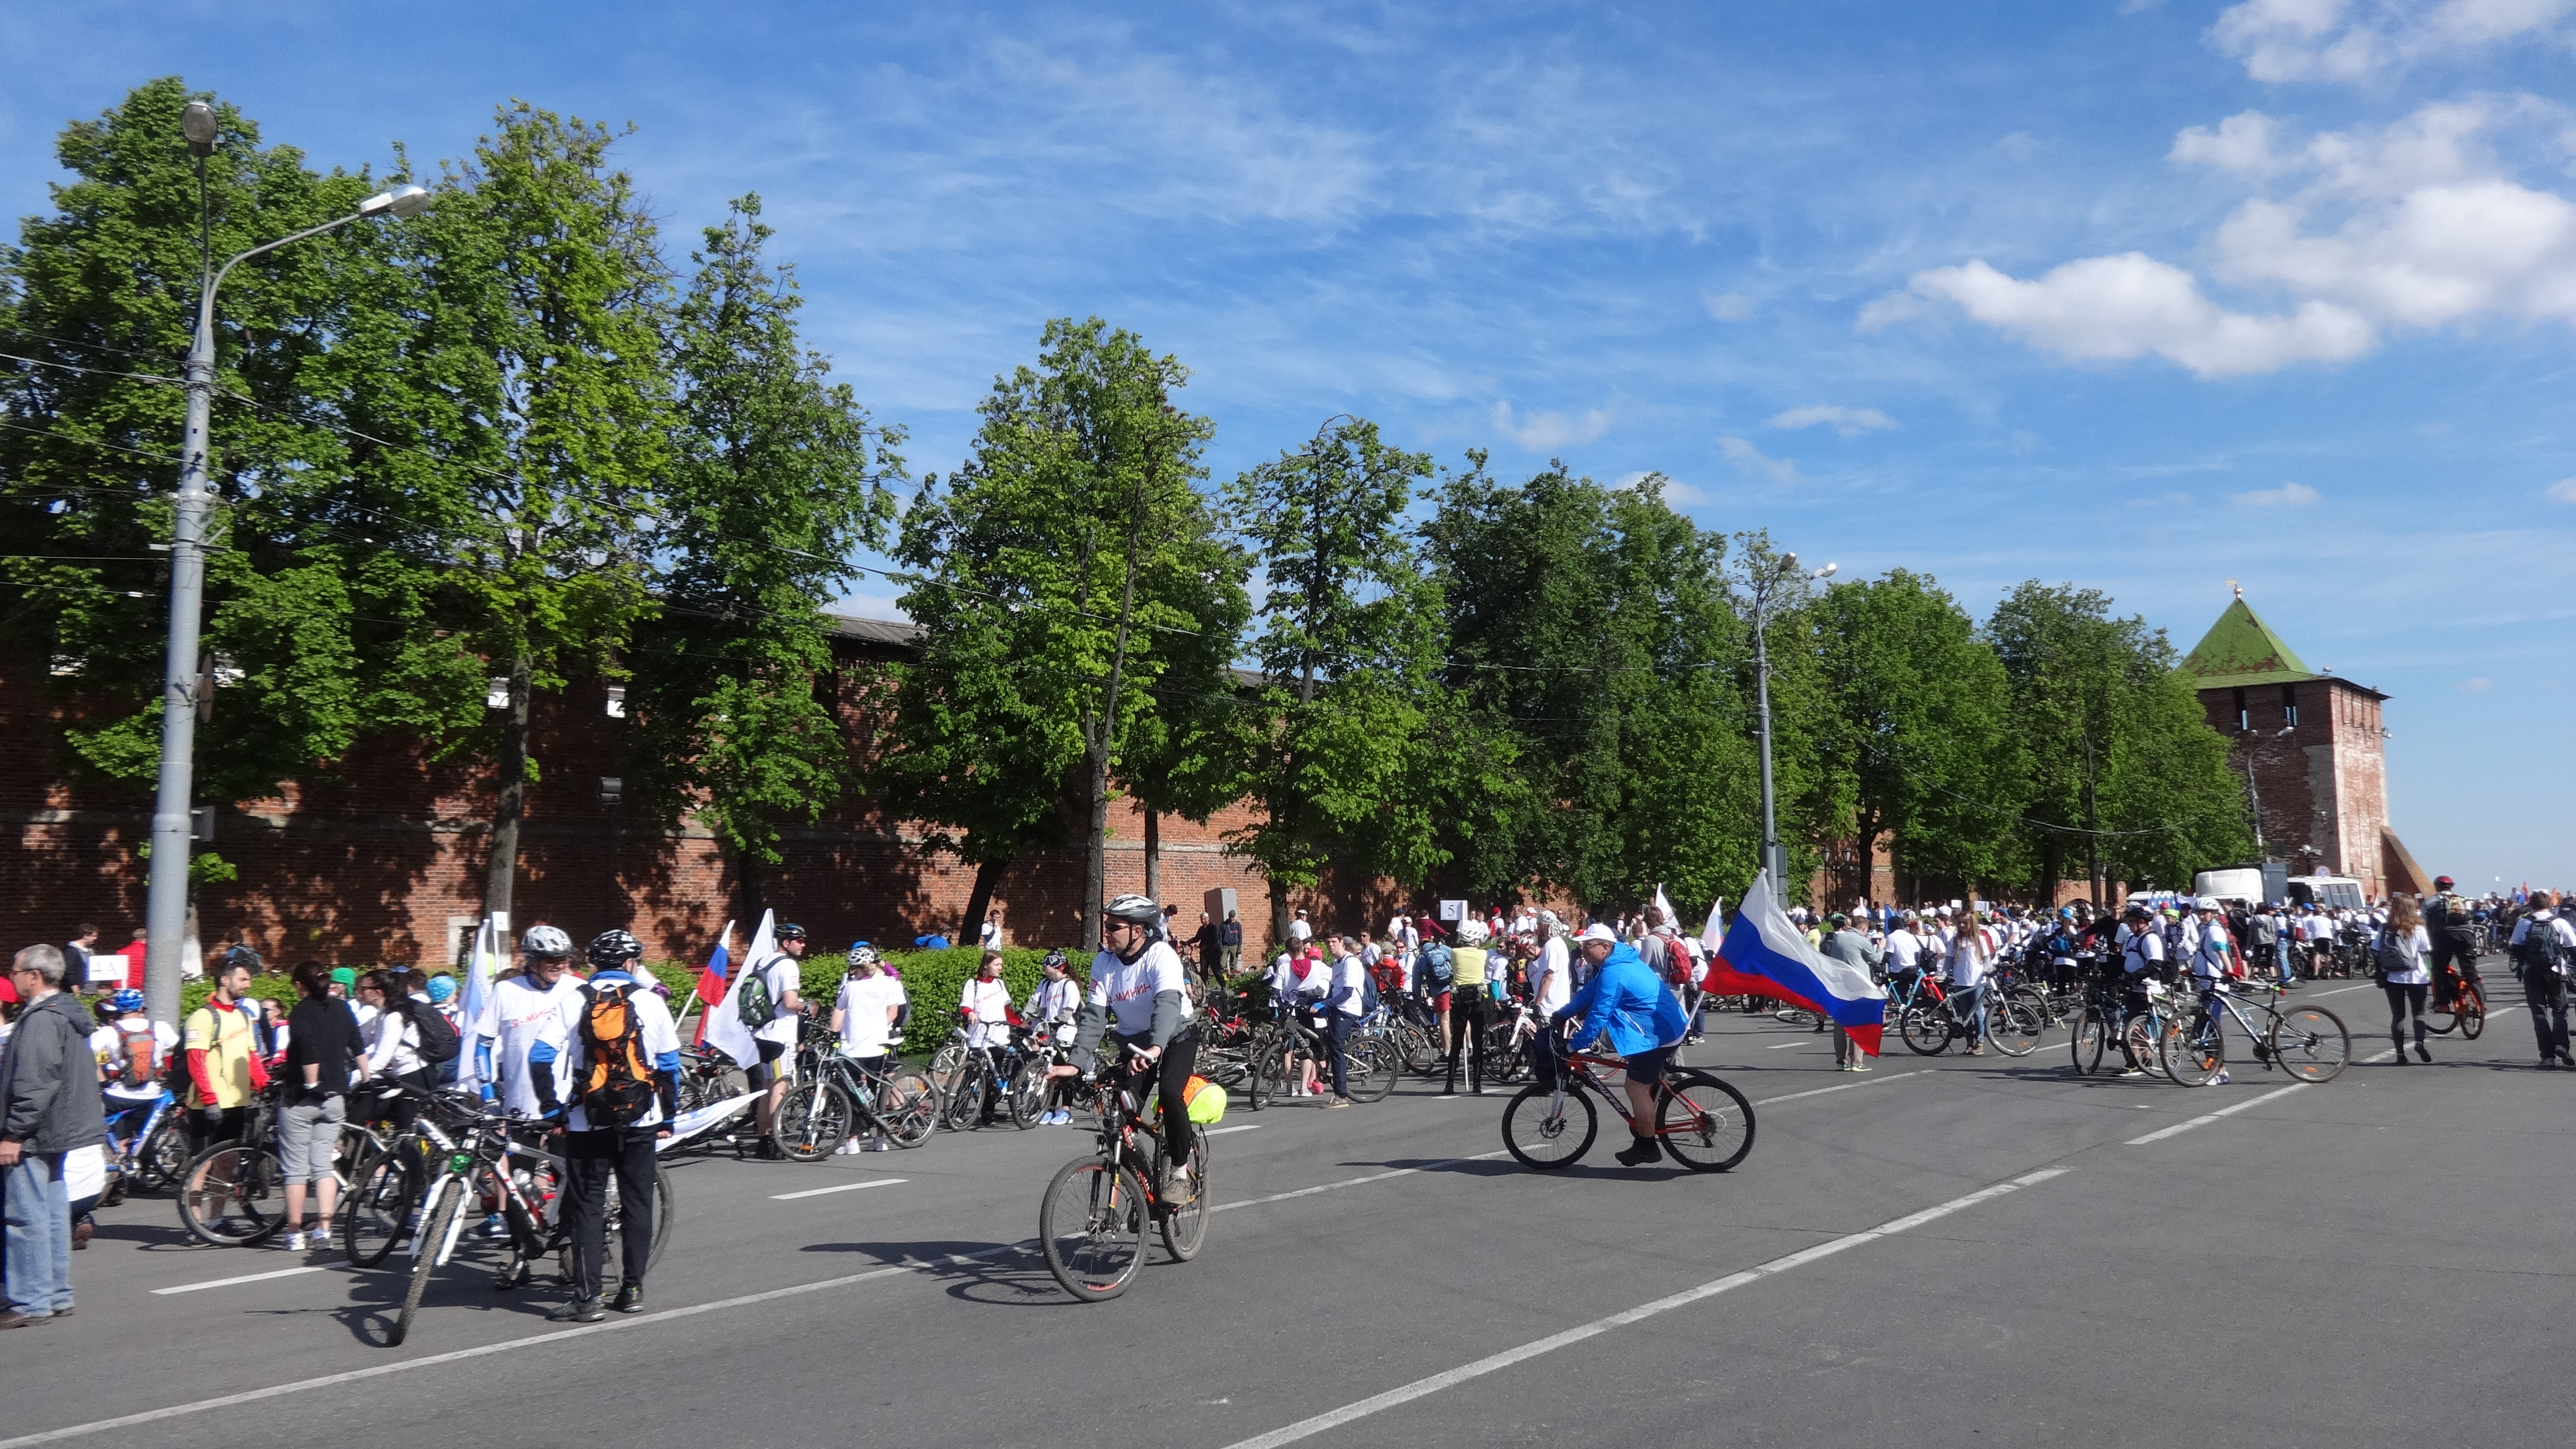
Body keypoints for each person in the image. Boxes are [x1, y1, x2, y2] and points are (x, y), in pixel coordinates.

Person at [529, 931, 679, 1322]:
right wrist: (668, 1115)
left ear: (594, 964)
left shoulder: (574, 999)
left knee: (588, 1207)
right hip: (641, 1117)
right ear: (630, 963)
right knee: (637, 1203)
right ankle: (632, 1291)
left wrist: (552, 1109)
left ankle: (588, 1299)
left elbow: (539, 1057)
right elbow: (669, 1065)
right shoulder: (651, 1001)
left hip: (587, 1119)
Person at [1069, 896, 1199, 1201]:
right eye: (1106, 926)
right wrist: (1074, 1063)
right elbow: (1094, 1018)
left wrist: (1155, 1048)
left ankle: (1180, 1172)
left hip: (1175, 1037)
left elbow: (1167, 1005)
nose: (1107, 932)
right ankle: (1138, 1193)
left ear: (1137, 931)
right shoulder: (1104, 963)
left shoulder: (1161, 955)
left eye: (1114, 927)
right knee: (1121, 1112)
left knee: (1170, 1093)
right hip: (1134, 1043)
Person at [1, 946, 104, 1327]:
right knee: (53, 1213)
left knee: (24, 1217)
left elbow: (36, 1083)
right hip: (59, 1128)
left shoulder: (42, 1019)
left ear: (35, 976)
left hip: (36, 1133)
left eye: (16, 971)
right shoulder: (67, 1012)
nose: (12, 977)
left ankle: (31, 1300)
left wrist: (14, 1133)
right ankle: (56, 1294)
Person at [1554, 924, 1690, 1167]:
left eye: (1587, 945)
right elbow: (1589, 994)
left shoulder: (1615, 972)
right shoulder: (1614, 964)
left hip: (1658, 1033)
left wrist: (1575, 1045)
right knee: (1642, 1083)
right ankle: (1647, 1119)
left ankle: (1647, 1147)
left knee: (1635, 1087)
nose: (1582, 949)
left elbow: (1600, 1012)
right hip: (1662, 1026)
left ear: (1605, 947)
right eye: (1581, 945)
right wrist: (1563, 1014)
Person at [276, 960, 361, 1252]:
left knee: (295, 1170)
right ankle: (324, 1231)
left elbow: (308, 1047)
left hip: (301, 1098)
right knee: (323, 1165)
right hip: (335, 1097)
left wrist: (311, 1082)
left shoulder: (301, 1011)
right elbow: (357, 1044)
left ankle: (295, 1233)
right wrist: (366, 1076)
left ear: (300, 985)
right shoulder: (342, 1008)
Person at [488, 926, 585, 1123]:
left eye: (562, 959)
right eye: (550, 960)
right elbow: (482, 1043)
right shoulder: (505, 990)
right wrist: (486, 1093)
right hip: (521, 1103)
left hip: (568, 1103)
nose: (558, 965)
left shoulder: (578, 989)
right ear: (532, 962)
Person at [182, 958, 269, 1156]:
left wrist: (263, 1083)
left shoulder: (244, 1016)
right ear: (224, 980)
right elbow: (196, 1062)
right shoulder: (203, 1016)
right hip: (210, 1103)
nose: (248, 985)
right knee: (202, 1163)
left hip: (237, 1102)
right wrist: (209, 1099)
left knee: (228, 1160)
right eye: (243, 979)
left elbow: (251, 1056)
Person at [745, 925, 807, 1158]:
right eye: (798, 940)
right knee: (780, 1088)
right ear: (785, 943)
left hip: (762, 1034)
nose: (803, 945)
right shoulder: (788, 965)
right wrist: (807, 1006)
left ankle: (763, 1142)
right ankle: (774, 1143)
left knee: (767, 1087)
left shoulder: (762, 962)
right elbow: (790, 1003)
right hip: (782, 1035)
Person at [2508, 892, 2575, 1069]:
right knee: (2560, 1010)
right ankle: (2561, 1045)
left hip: (2532, 972)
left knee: (2539, 1013)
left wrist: (2525, 962)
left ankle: (2547, 1057)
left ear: (2531, 905)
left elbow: (2515, 947)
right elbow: (2573, 947)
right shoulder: (2559, 922)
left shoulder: (2524, 923)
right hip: (2556, 971)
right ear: (2550, 904)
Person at [1022, 950, 1082, 1126]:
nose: (1044, 968)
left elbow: (1069, 1010)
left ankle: (1066, 1111)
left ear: (1058, 967)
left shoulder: (1069, 984)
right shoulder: (1047, 984)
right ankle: (1050, 1108)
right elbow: (1042, 1009)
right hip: (1051, 1035)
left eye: (1047, 965)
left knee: (1065, 1074)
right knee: (1051, 1073)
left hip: (1067, 1034)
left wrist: (1058, 1021)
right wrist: (1034, 1024)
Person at [2374, 896, 2434, 1063]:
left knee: (2398, 1016)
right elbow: (2426, 949)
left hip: (2393, 977)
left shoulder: (2386, 928)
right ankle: (2419, 1042)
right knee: (2419, 1013)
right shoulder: (2418, 928)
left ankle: (2400, 1055)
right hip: (2417, 975)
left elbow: (2375, 949)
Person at [958, 950, 1013, 1128]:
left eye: (1001, 965)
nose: (1000, 968)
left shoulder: (1000, 984)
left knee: (993, 1077)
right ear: (986, 965)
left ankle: (988, 1114)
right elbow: (965, 1007)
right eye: (997, 964)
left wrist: (1020, 1023)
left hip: (999, 1037)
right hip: (978, 1038)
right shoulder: (972, 984)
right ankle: (958, 1112)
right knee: (970, 1076)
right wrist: (970, 1013)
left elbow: (1007, 1010)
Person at [1821, 914, 1882, 1072]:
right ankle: (1857, 1062)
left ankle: (1841, 1060)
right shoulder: (1862, 941)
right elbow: (1875, 959)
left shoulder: (1838, 939)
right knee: (1859, 1022)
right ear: (1864, 928)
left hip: (1841, 985)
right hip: (1859, 986)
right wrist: (1881, 948)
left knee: (1840, 1024)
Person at [1444, 921, 1493, 1096]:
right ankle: (1477, 1083)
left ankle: (1449, 1083)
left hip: (1459, 998)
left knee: (1457, 1041)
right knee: (1477, 1041)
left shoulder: (1455, 953)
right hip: (1478, 998)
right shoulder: (1483, 954)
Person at [1321, 935, 1366, 1108]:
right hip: (1337, 1008)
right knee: (1326, 1042)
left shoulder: (1351, 962)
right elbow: (1333, 989)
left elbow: (1347, 993)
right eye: (1328, 942)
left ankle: (1341, 1096)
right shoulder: (1336, 964)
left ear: (1342, 943)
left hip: (1348, 1009)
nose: (1330, 945)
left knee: (1336, 1046)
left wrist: (1326, 1004)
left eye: (1334, 942)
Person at [63, 927, 97, 995]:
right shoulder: (71, 951)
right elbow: (69, 972)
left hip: (92, 991)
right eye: (94, 936)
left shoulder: (90, 950)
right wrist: (76, 991)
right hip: (80, 992)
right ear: (86, 936)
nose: (96, 938)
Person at [1220, 911, 1242, 977]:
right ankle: (1222, 975)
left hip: (1234, 945)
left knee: (1234, 962)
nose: (1231, 919)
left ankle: (1234, 975)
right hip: (1225, 945)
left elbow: (1240, 936)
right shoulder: (1224, 925)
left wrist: (1239, 946)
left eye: (1233, 917)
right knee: (1222, 962)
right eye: (1230, 917)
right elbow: (1220, 936)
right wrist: (1221, 946)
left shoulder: (1238, 925)